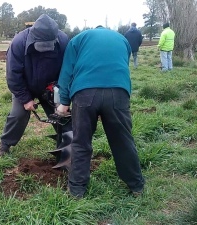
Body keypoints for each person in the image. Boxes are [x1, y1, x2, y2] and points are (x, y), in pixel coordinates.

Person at [56, 26, 145, 198]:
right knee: (123, 141)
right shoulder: (122, 40)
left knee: (81, 143)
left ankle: (76, 190)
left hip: (84, 93)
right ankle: (136, 186)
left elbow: (67, 71)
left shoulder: (78, 39)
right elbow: (121, 65)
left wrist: (64, 102)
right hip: (118, 93)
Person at [0, 14, 72, 156]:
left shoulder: (63, 41)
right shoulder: (19, 43)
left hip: (51, 87)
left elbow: (67, 70)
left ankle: (69, 147)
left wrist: (60, 93)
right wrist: (25, 99)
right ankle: (4, 145)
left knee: (62, 115)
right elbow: (13, 75)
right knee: (18, 115)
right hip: (25, 86)